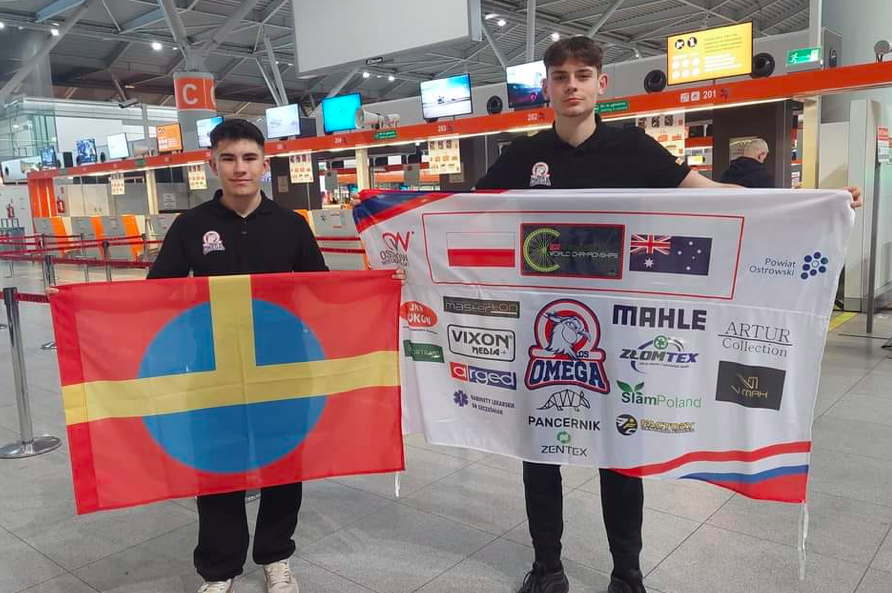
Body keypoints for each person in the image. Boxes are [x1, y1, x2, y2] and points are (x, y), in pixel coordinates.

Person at [474, 36, 861, 593]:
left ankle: (627, 574)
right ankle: (548, 569)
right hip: (545, 323)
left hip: (620, 327)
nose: (572, 86)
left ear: (601, 83)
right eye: (561, 77)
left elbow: (714, 194)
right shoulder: (523, 155)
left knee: (620, 453)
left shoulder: (633, 147)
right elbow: (462, 212)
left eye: (582, 75)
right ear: (547, 88)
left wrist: (815, 203)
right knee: (539, 452)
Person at [148, 119, 327, 593]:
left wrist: (381, 284)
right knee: (217, 467)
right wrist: (76, 301)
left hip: (282, 367)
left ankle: (276, 555)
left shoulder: (292, 225)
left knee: (282, 466)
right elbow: (155, 292)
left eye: (249, 158)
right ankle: (219, 567)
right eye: (228, 158)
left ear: (265, 164)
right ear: (213, 165)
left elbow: (323, 288)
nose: (239, 168)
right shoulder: (190, 226)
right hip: (214, 367)